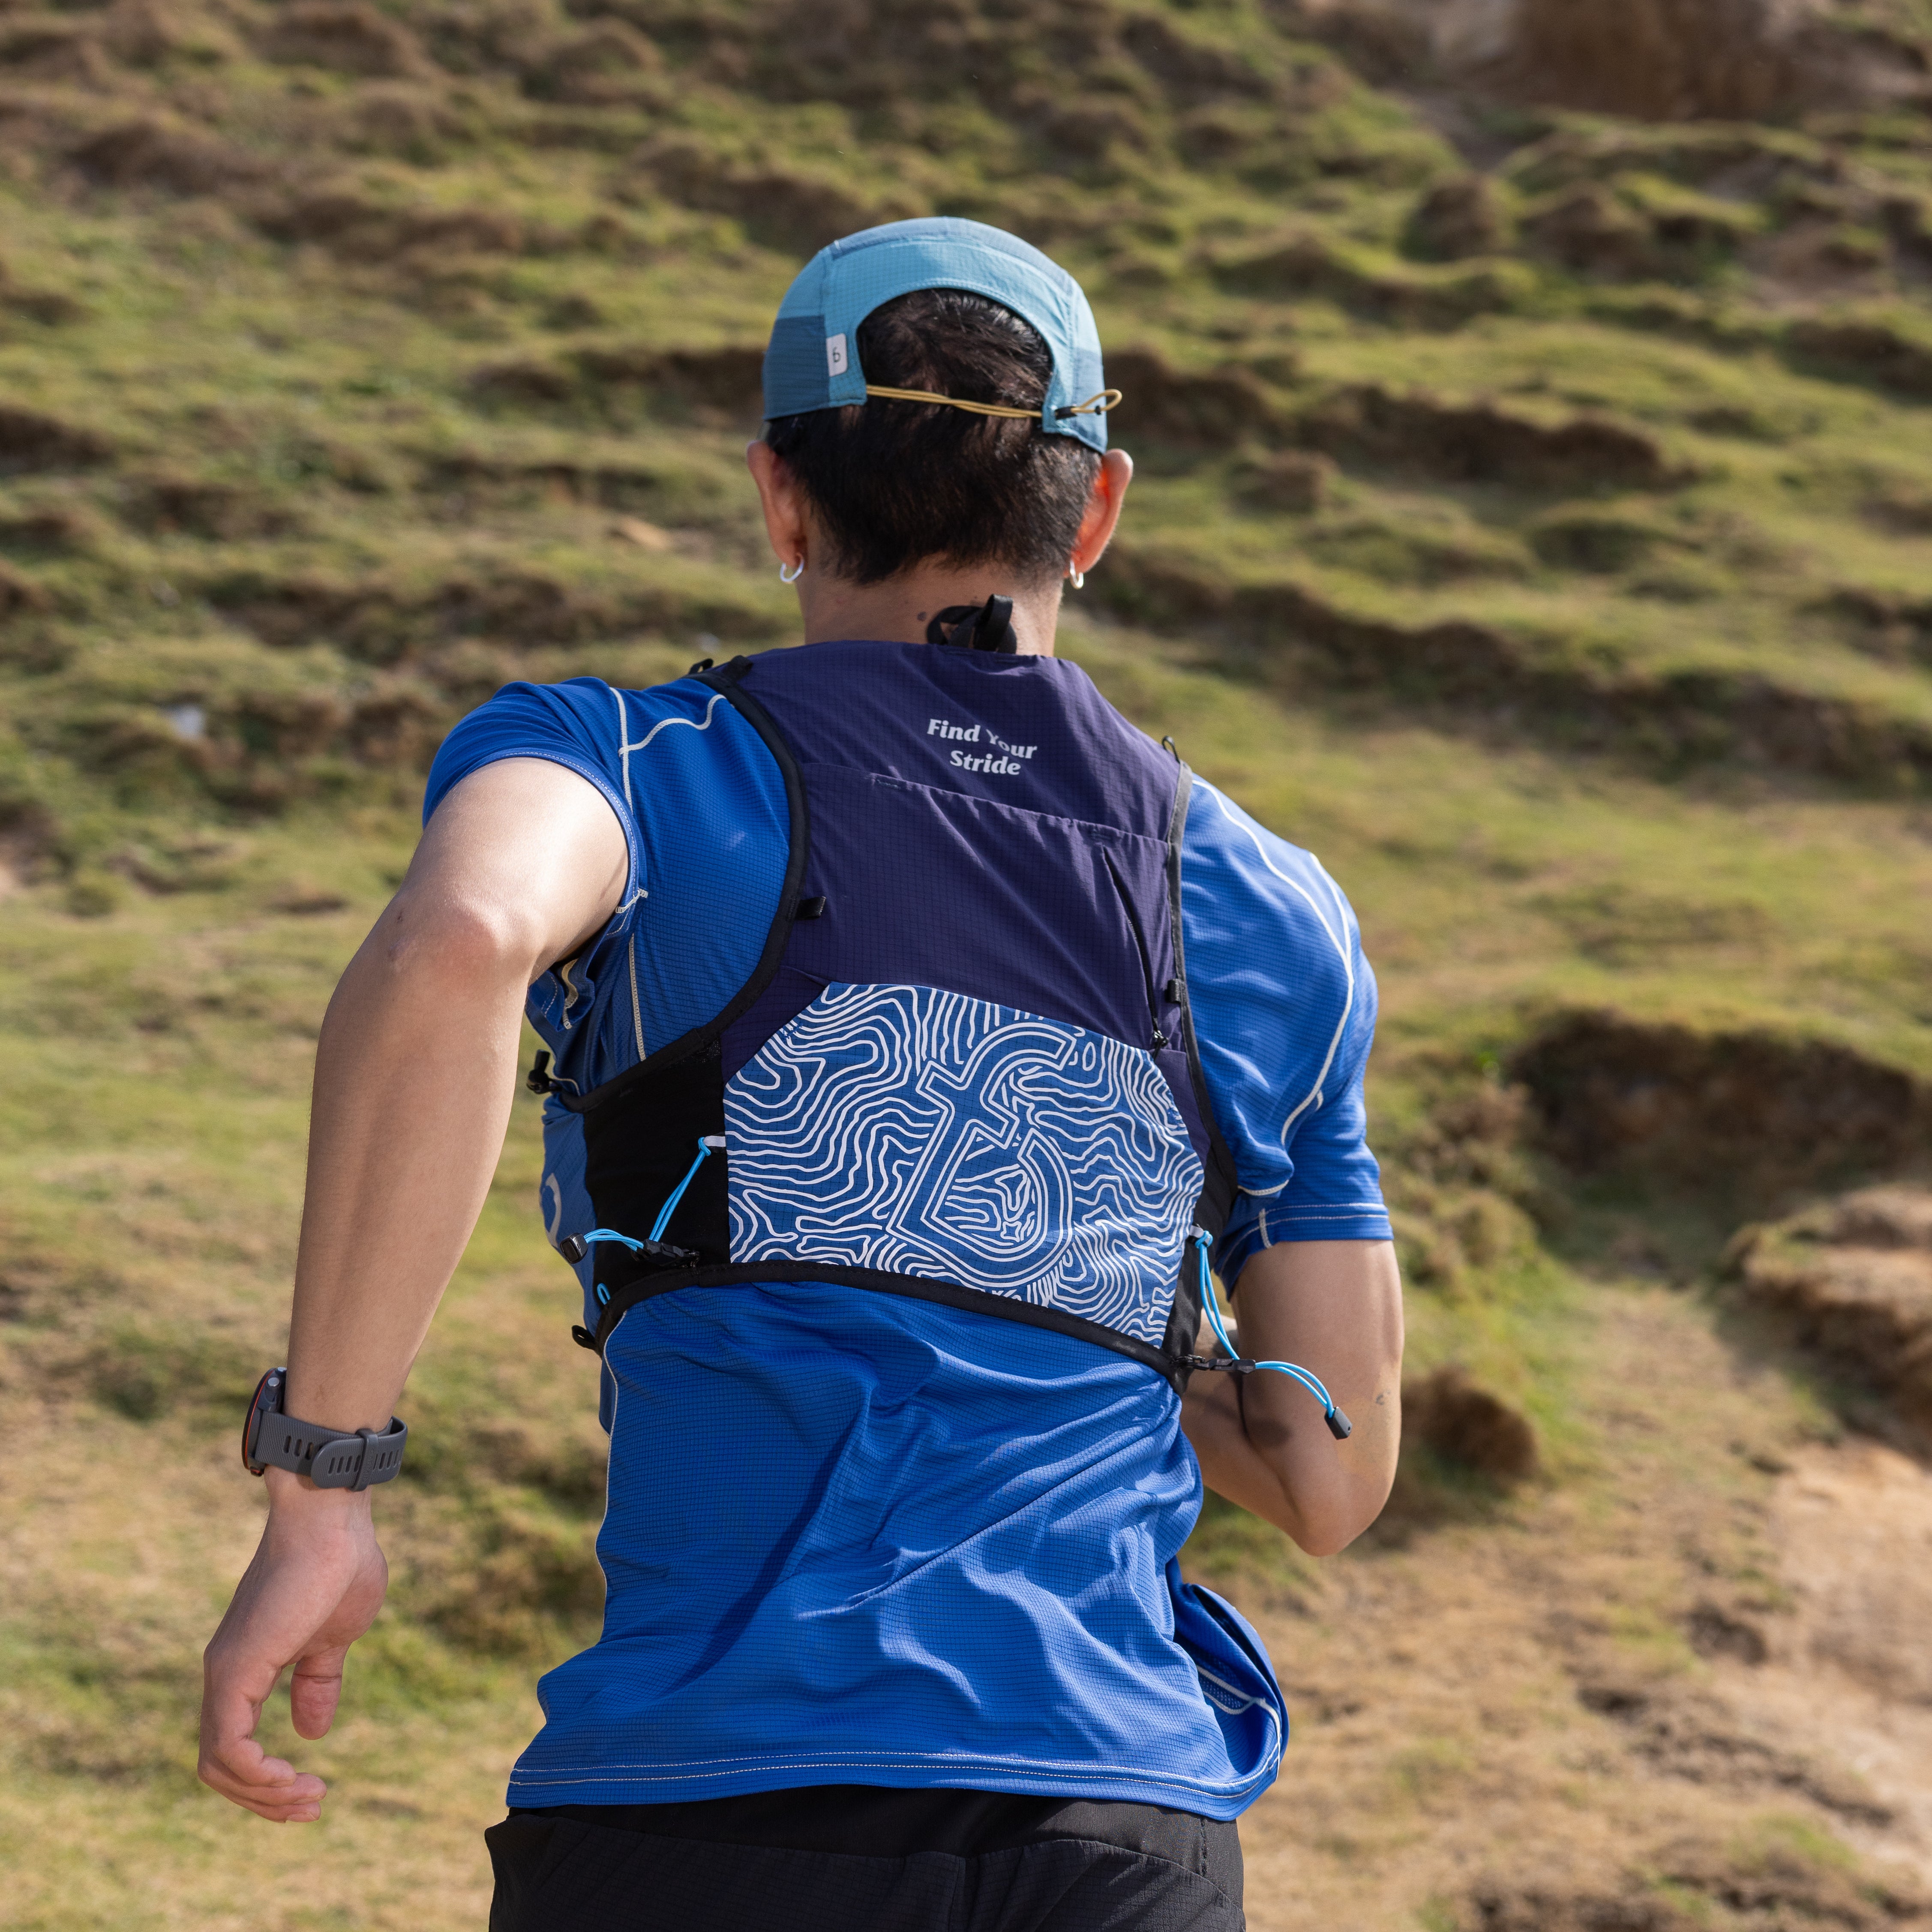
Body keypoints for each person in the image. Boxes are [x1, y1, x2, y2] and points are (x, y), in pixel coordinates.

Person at [198, 217, 1405, 1931]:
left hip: (703, 1812)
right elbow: (1329, 1474)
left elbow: (461, 935)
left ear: (781, 498)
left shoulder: (630, 765)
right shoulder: (1272, 909)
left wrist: (323, 1483)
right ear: (1096, 511)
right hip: (1113, 1828)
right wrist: (1067, 1278)